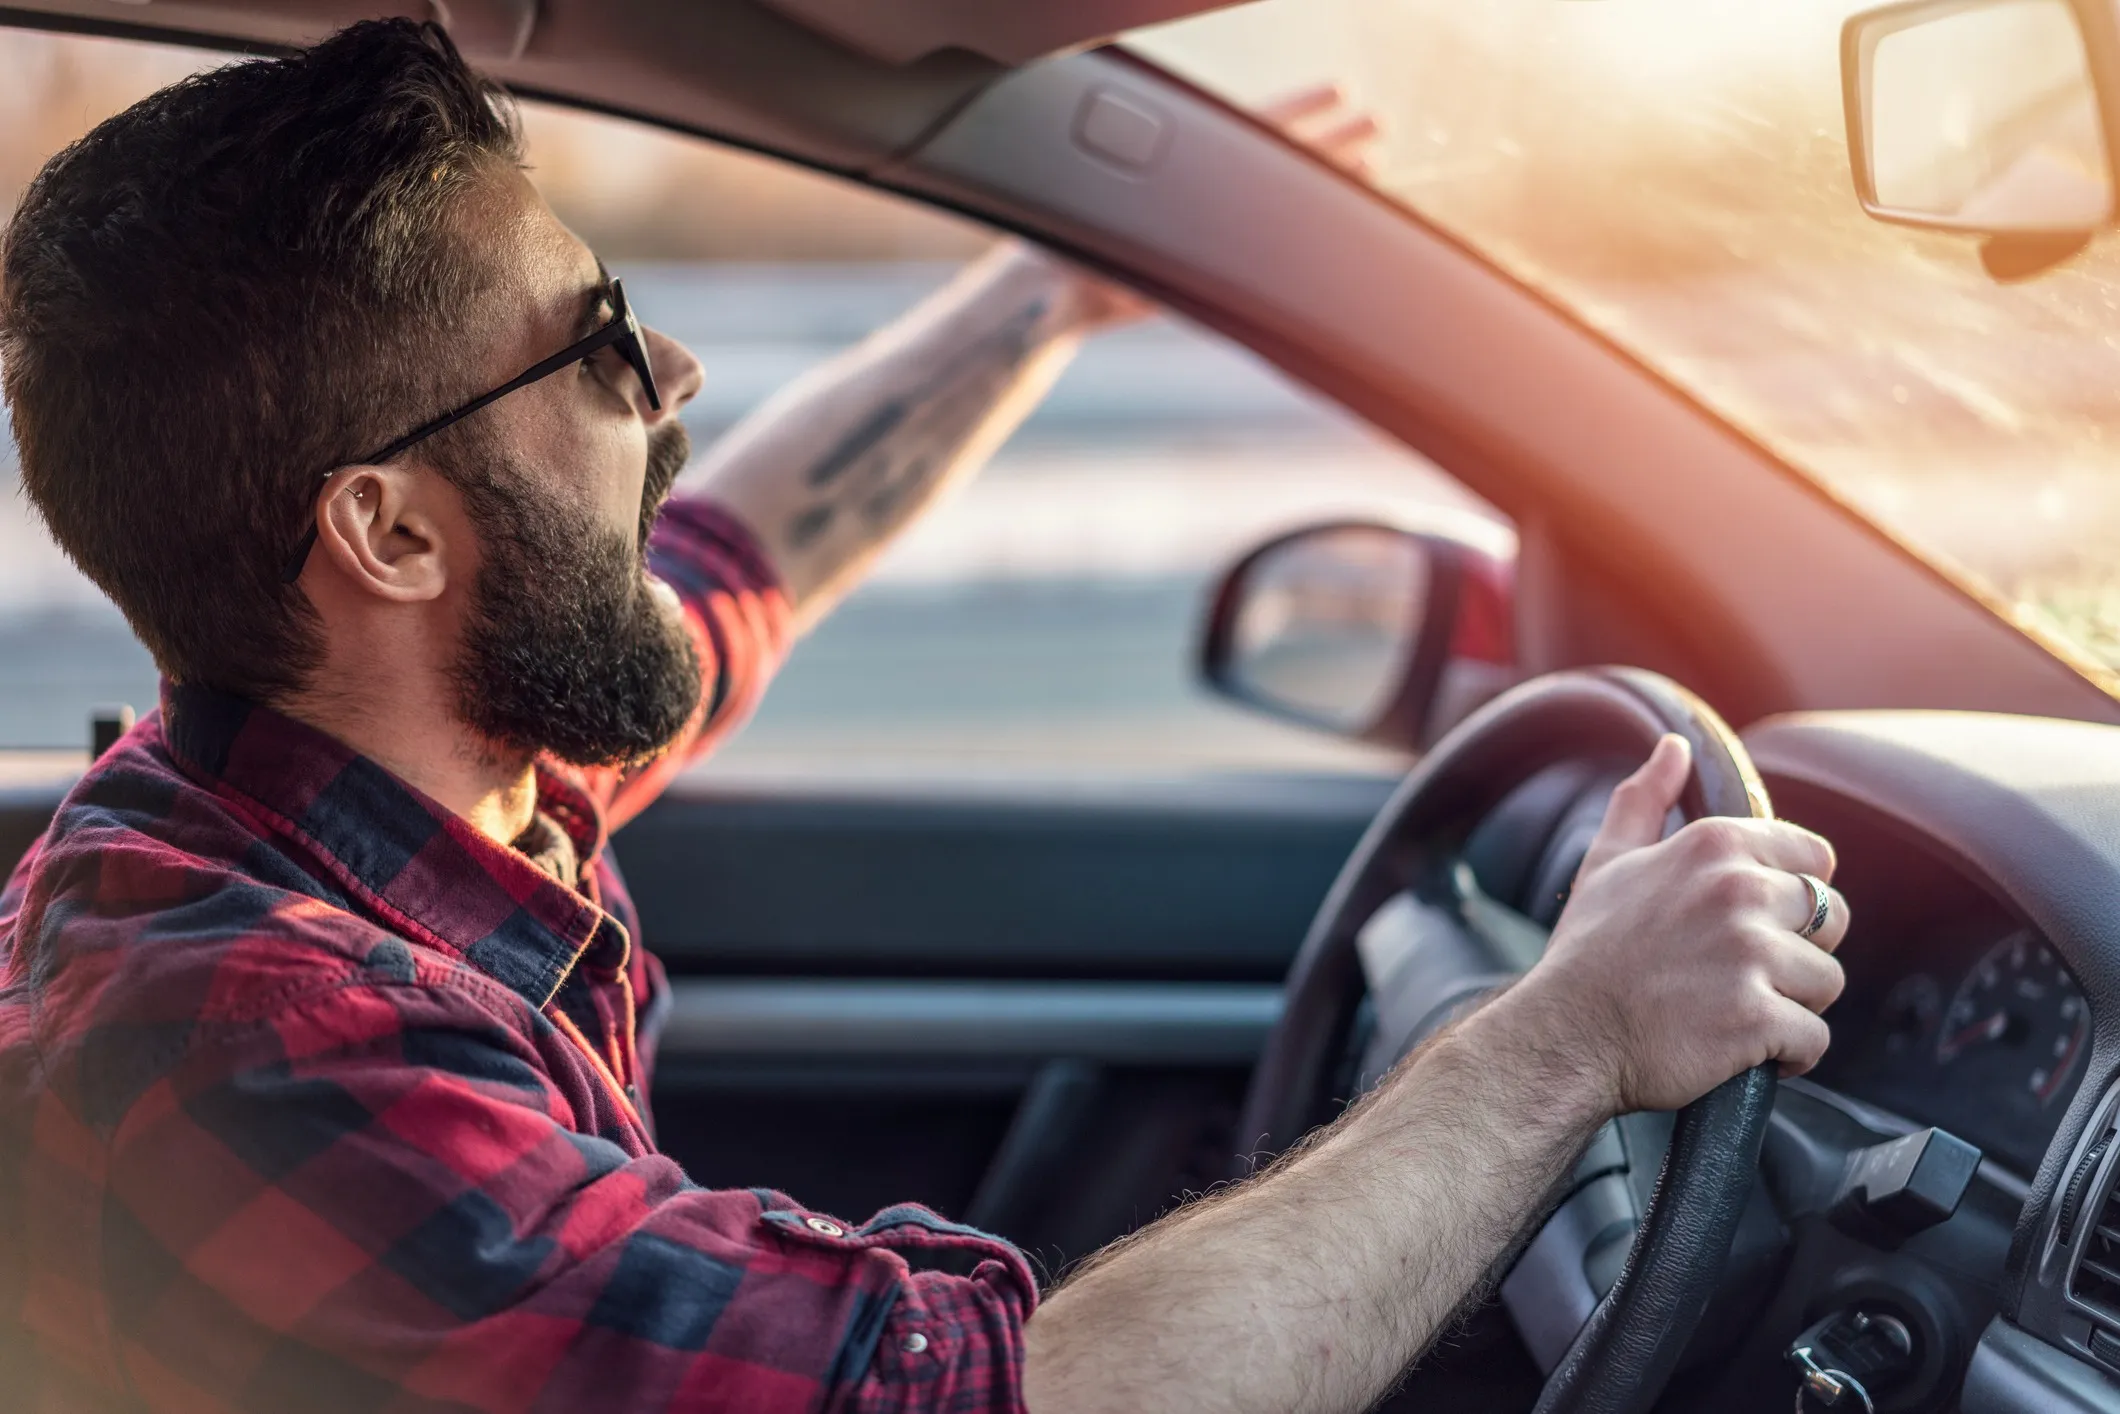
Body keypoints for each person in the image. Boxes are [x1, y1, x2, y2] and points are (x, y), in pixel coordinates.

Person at [0, 21, 1848, 1414]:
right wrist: (1568, 1036)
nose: (675, 380)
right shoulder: (251, 1052)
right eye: (596, 344)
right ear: (388, 531)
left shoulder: (427, 757)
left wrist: (1042, 296)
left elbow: (753, 547)